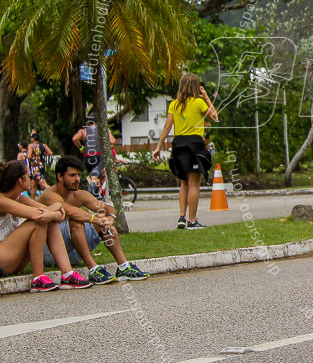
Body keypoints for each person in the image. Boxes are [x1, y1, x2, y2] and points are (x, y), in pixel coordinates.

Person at [38, 156, 149, 283]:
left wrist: (109, 219)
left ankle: (123, 266)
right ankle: (93, 269)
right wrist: (98, 220)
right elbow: (71, 211)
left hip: (72, 253)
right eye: (72, 175)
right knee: (76, 221)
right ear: (60, 177)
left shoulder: (79, 195)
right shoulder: (49, 195)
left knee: (106, 224)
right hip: (49, 254)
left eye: (79, 175)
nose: (77, 179)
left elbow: (109, 208)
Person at [0, 160, 90, 291]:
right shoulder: (2, 201)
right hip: (3, 260)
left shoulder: (19, 197)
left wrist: (53, 214)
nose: (32, 180)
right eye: (30, 177)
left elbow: (52, 215)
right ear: (20, 180)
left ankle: (68, 274)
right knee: (40, 222)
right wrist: (57, 207)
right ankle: (38, 278)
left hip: (13, 259)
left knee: (47, 220)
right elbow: (39, 215)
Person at [154, 73, 218, 229]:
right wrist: (207, 98)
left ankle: (182, 217)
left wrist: (158, 146)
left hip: (178, 144)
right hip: (194, 144)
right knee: (194, 184)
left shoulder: (174, 104)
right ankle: (192, 220)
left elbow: (167, 127)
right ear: (197, 87)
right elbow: (215, 117)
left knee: (183, 182)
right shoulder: (199, 102)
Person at [72, 114, 116, 179]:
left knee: (93, 177)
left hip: (87, 157)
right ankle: (92, 187)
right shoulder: (103, 130)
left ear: (88, 123)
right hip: (98, 156)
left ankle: (93, 186)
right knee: (95, 177)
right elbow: (112, 141)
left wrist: (81, 148)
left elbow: (75, 139)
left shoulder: (84, 131)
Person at [25, 131, 53, 197]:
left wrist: (25, 155)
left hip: (35, 167)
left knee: (43, 184)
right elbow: (50, 153)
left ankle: (56, 192)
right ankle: (32, 201)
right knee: (34, 185)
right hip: (41, 166)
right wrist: (41, 154)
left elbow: (29, 156)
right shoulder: (43, 145)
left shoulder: (31, 146)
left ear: (33, 138)